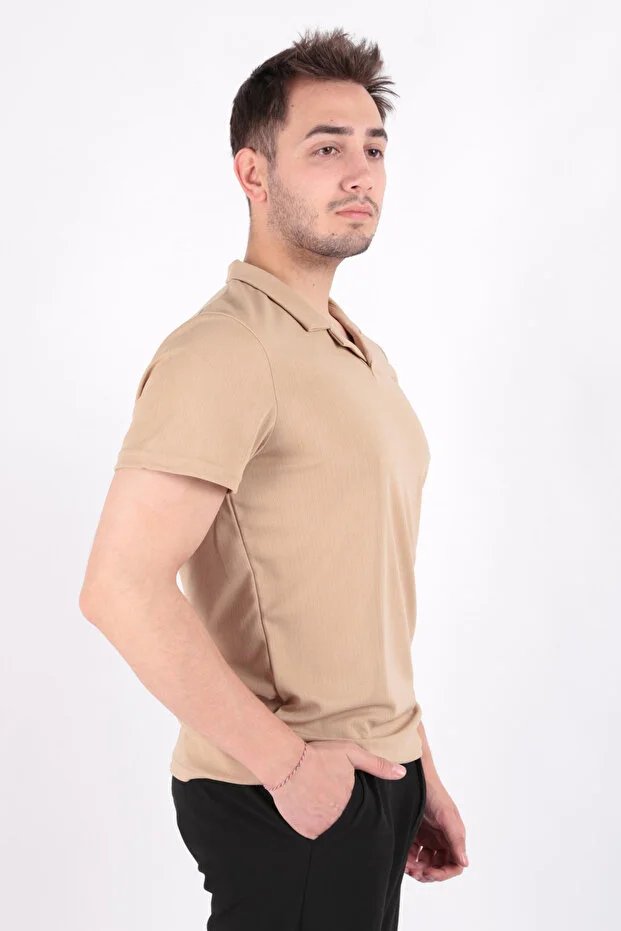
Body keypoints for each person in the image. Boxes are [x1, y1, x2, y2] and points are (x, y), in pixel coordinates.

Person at [79, 25, 468, 931]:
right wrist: (291, 769)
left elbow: (360, 596)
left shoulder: (356, 354)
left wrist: (418, 768)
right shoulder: (225, 349)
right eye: (326, 148)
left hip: (370, 781)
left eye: (373, 149)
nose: (359, 173)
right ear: (252, 174)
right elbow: (119, 586)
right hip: (283, 790)